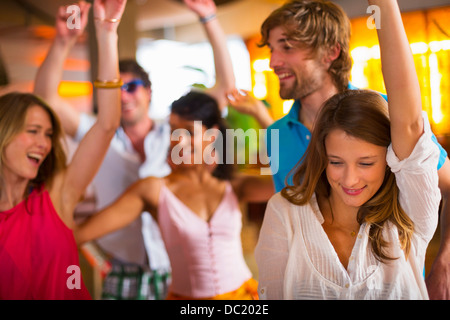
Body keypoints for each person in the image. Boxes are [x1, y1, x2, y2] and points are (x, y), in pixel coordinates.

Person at [228, 0, 450, 299]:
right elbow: (291, 205)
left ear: (331, 52)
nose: (273, 61)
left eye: (287, 47)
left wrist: (444, 263)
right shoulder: (276, 133)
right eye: (270, 49)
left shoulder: (384, 117)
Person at [33, 0, 236, 300]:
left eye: (132, 87)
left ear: (149, 91)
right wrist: (63, 41)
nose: (124, 96)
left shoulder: (175, 133)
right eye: (116, 88)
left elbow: (225, 91)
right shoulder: (96, 132)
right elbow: (46, 98)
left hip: (175, 270)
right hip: (122, 269)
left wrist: (209, 19)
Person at [74, 91, 274, 300]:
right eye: (172, 132)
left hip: (243, 298)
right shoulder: (154, 190)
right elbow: (81, 234)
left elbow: (297, 178)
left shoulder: (235, 186)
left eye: (188, 132)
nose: (178, 141)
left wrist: (263, 117)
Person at [0, 0, 126, 299]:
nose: (43, 143)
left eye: (47, 133)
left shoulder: (57, 196)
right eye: (32, 132)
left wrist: (107, 34)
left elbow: (107, 124)